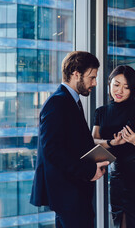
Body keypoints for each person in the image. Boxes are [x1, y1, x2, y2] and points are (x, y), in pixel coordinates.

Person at [30, 51, 109, 228]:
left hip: (73, 191)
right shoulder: (57, 102)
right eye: (92, 77)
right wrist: (88, 170)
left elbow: (71, 143)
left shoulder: (71, 101)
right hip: (68, 193)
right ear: (76, 74)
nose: (95, 83)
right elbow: (52, 150)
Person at [92, 65, 135, 228]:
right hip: (116, 175)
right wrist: (112, 143)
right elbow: (93, 141)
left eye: (126, 87)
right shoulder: (101, 112)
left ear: (132, 90)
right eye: (116, 84)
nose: (119, 90)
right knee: (119, 221)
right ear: (109, 84)